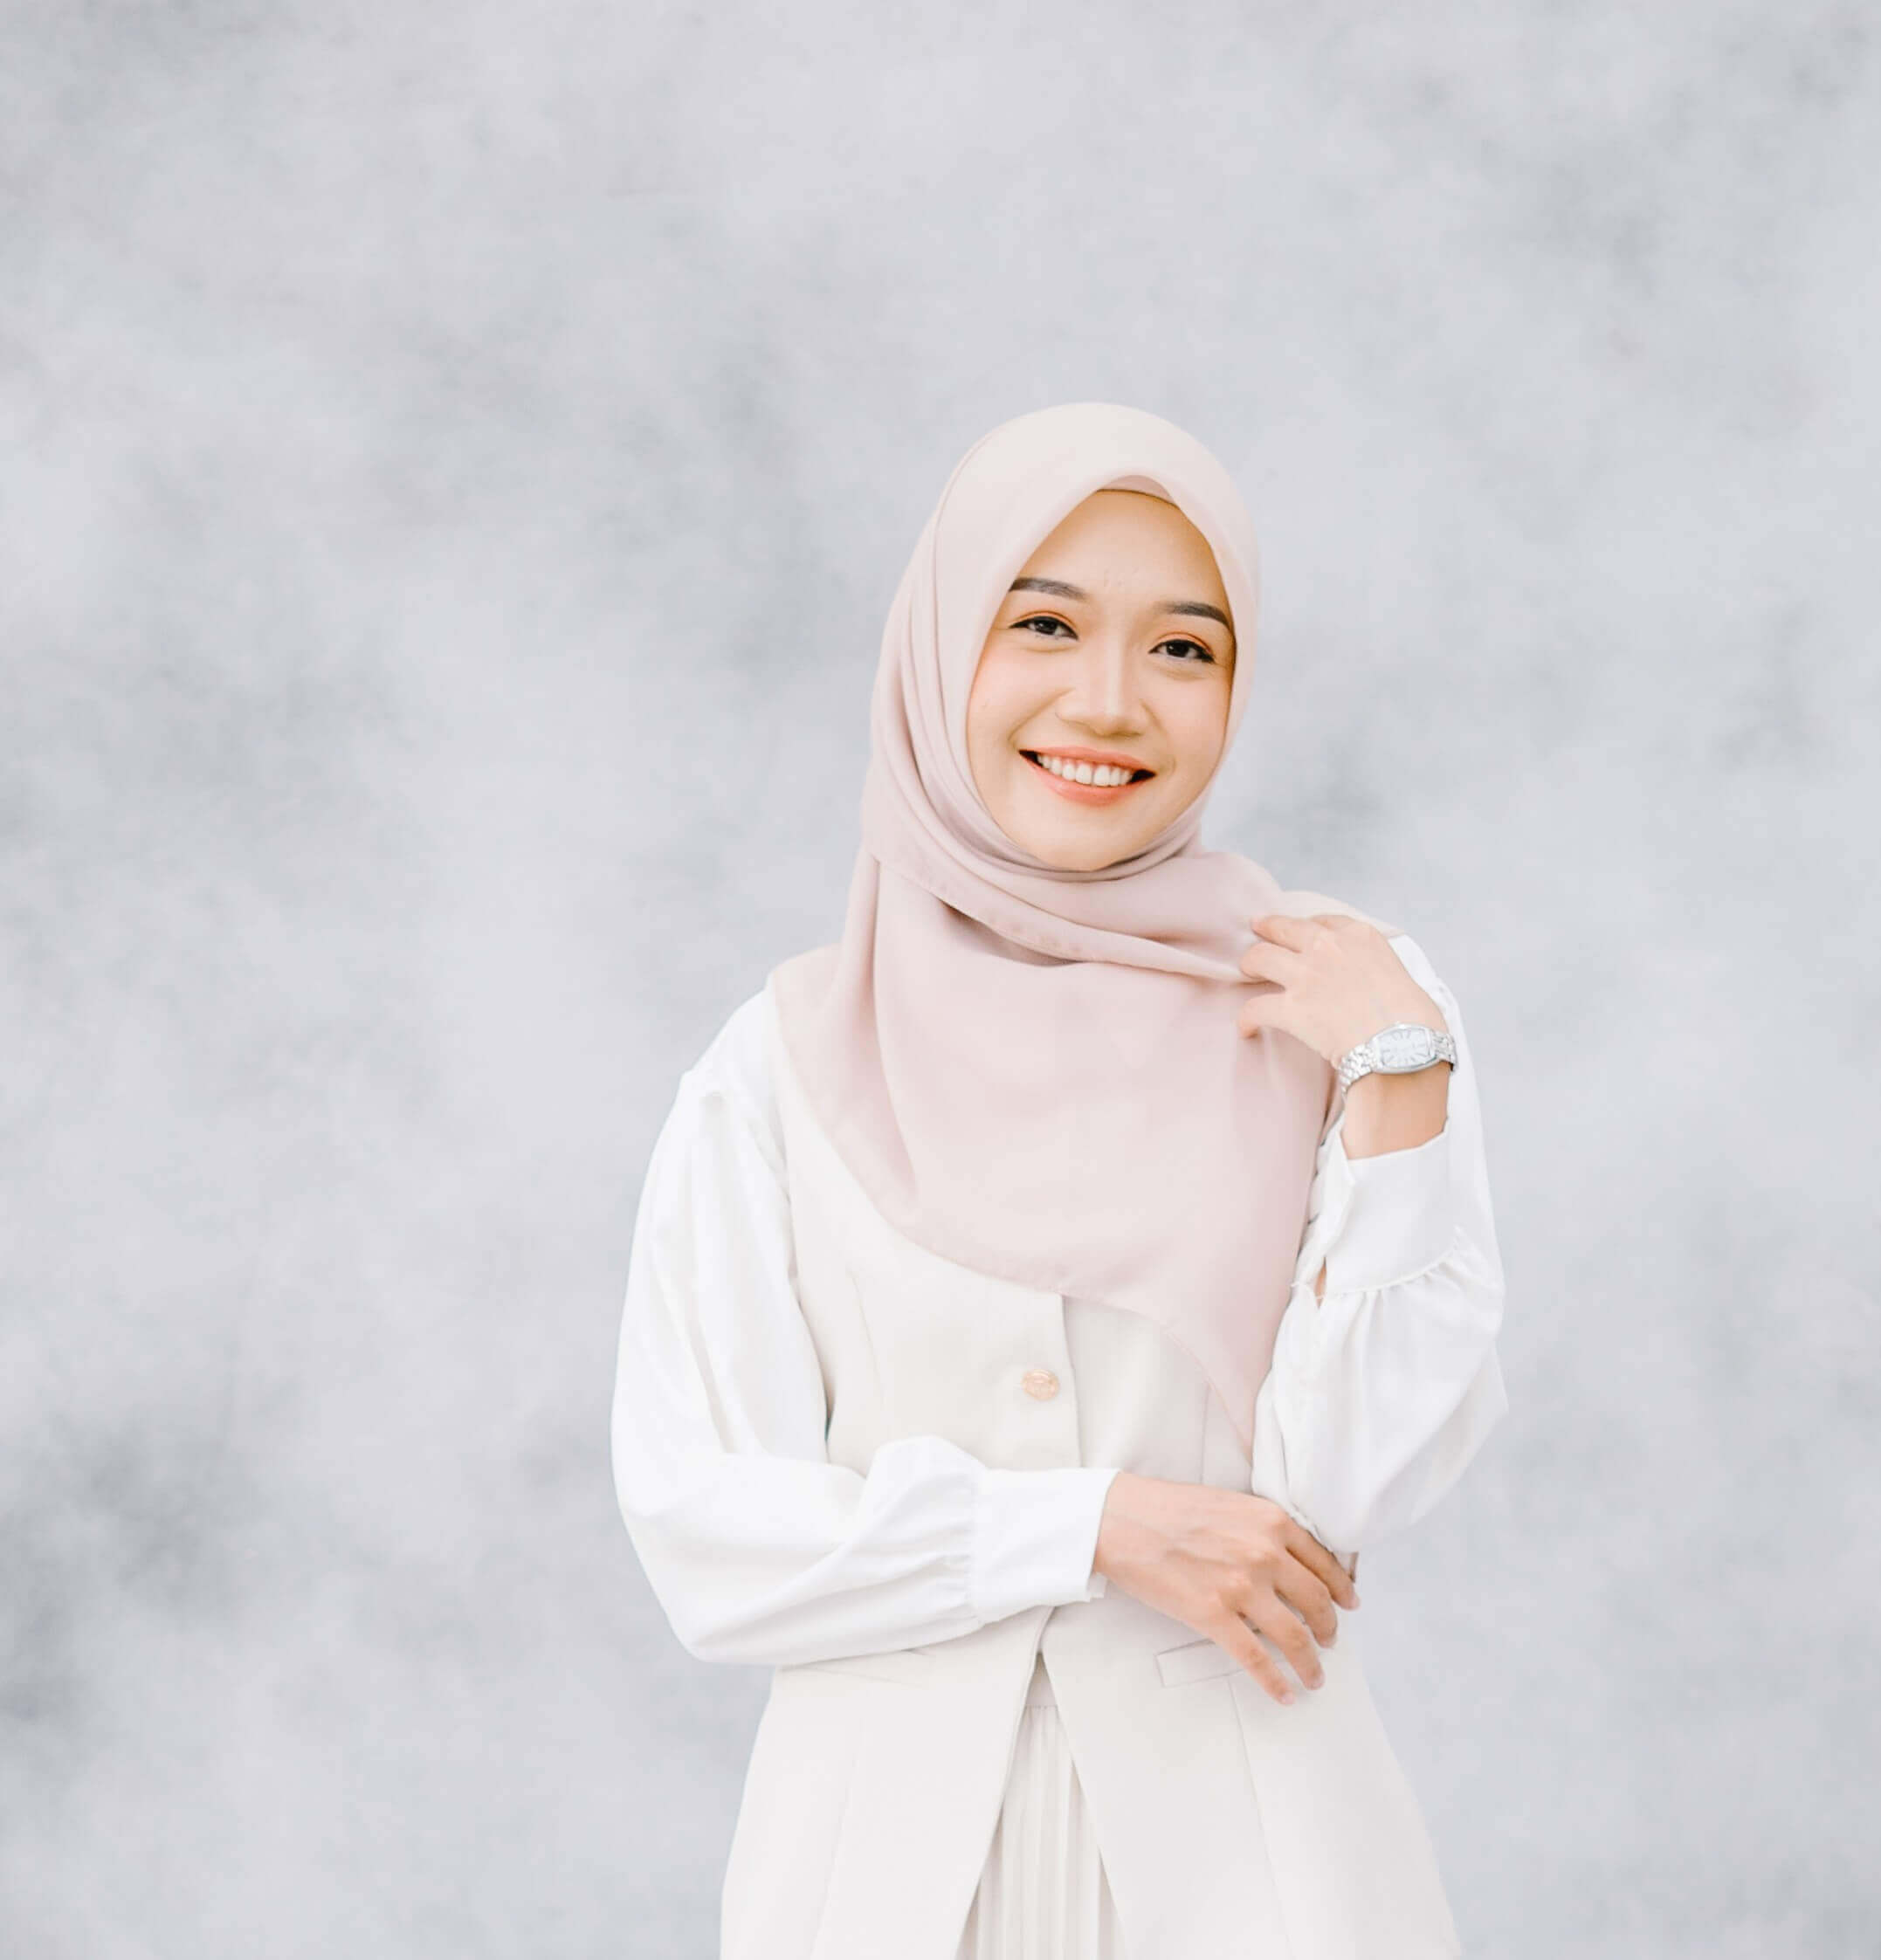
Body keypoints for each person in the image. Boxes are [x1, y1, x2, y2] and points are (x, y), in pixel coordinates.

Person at [610, 402, 1509, 1960]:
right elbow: (711, 1536)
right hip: (875, 1887)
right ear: (938, 646)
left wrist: (1401, 1079)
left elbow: (1351, 1489)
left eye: (1184, 647)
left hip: (1263, 1879)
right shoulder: (779, 1064)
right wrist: (1088, 1526)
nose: (1109, 700)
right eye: (1043, 624)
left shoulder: (1344, 1009)